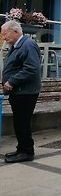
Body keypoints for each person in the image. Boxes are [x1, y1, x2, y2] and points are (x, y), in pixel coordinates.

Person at [2, 21, 41, 163]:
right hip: (19, 92)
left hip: (25, 92)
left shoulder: (28, 45)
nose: (3, 37)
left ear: (15, 32)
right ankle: (21, 149)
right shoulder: (18, 45)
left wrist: (12, 81)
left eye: (5, 33)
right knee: (19, 122)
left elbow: (31, 68)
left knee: (22, 122)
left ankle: (27, 152)